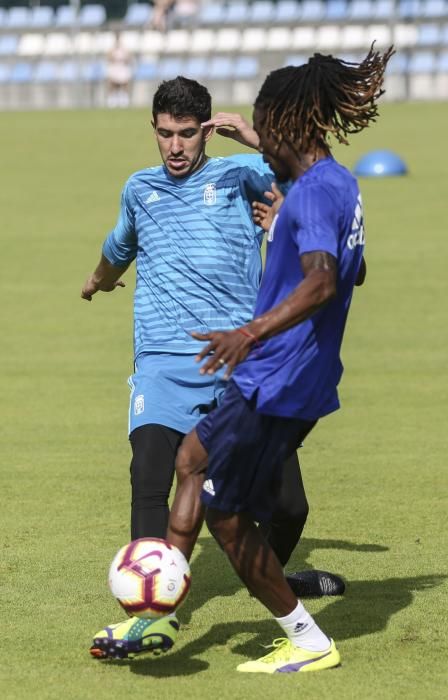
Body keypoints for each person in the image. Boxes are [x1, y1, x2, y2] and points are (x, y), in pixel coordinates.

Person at [83, 77, 343, 660]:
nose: (174, 147)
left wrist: (276, 199)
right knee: (149, 472)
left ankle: (273, 578)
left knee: (289, 506)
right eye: (164, 134)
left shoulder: (239, 174)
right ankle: (151, 613)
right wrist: (96, 281)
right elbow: (118, 245)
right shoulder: (139, 189)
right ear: (154, 130)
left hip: (236, 362)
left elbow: (305, 189)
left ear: (205, 130)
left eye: (185, 135)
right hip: (161, 363)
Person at [161, 45, 393, 673]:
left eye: (268, 130)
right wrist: (282, 206)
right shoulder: (337, 182)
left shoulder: (312, 196)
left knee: (228, 517)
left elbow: (321, 282)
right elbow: (356, 269)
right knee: (189, 457)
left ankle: (307, 638)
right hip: (298, 373)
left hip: (275, 377)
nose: (261, 146)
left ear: (290, 125)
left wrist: (250, 332)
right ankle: (158, 603)